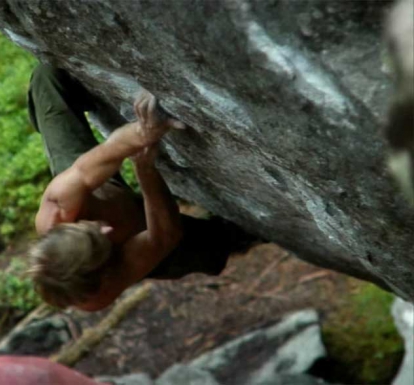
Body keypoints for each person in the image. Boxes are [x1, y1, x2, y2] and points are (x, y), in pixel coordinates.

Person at [27, 64, 257, 311]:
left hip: (96, 192)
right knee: (220, 242)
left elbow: (95, 162)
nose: (104, 230)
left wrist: (145, 130)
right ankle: (238, 235)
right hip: (145, 236)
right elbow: (164, 236)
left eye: (90, 229)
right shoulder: (99, 292)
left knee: (47, 80)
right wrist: (145, 170)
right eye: (100, 240)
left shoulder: (58, 205)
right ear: (104, 274)